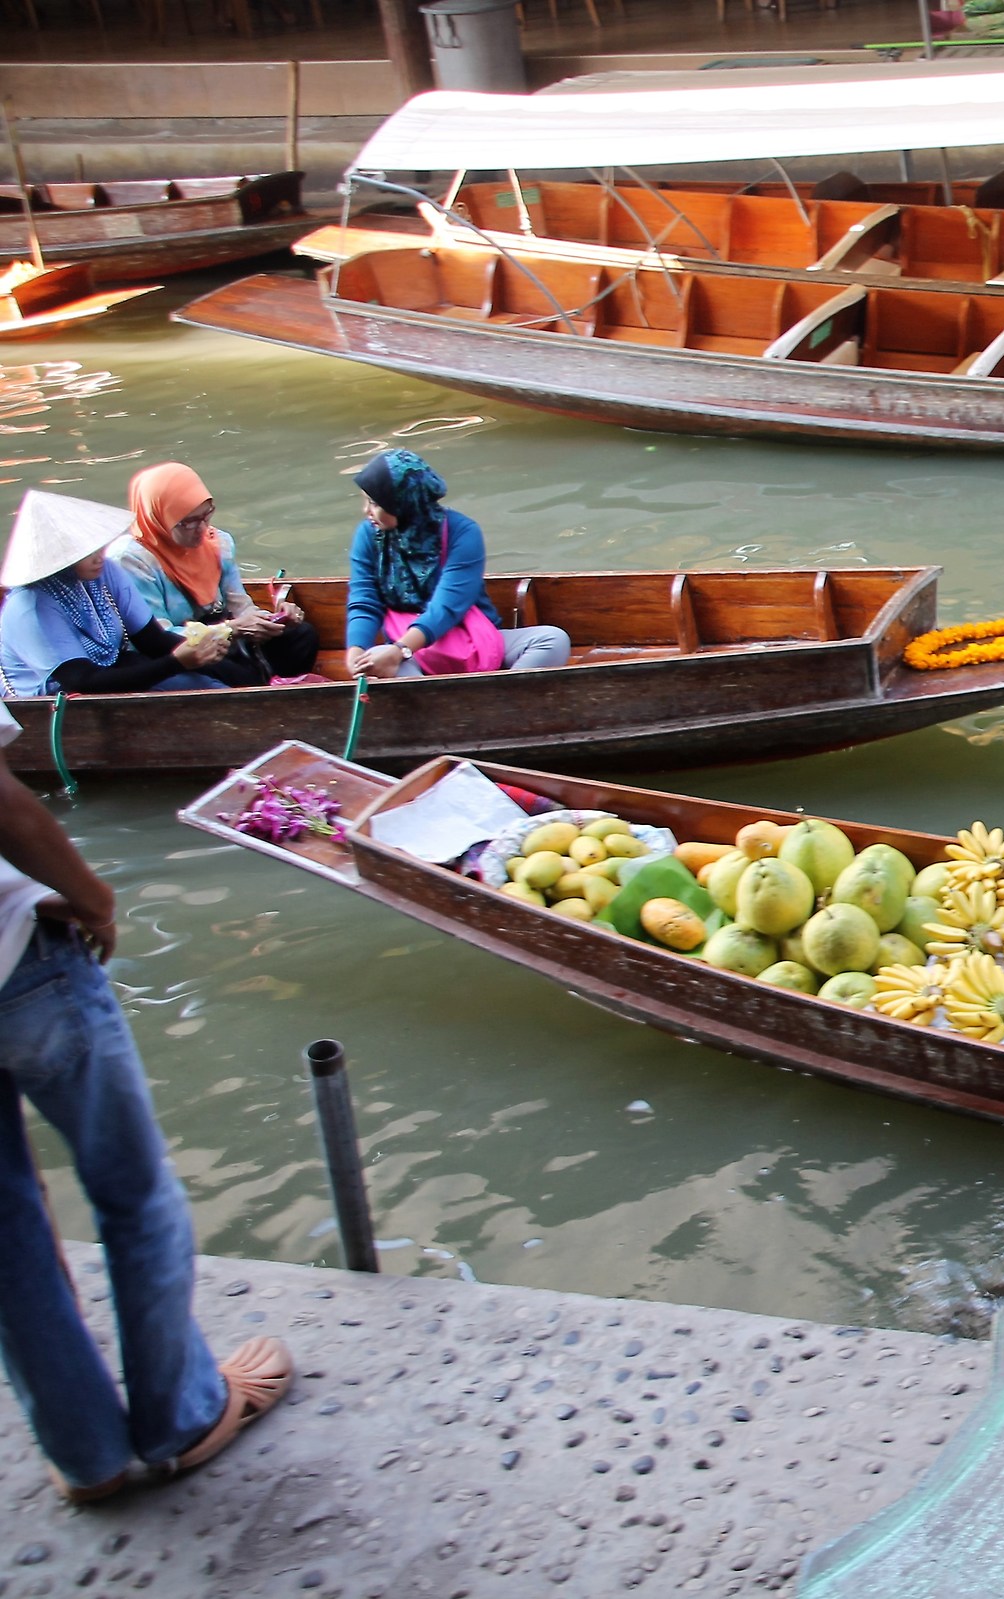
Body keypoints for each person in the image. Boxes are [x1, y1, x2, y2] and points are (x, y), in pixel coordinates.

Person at [0, 702, 292, 1502]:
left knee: (6, 1227)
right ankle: (184, 1415)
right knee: (135, 1192)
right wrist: (92, 899)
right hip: (17, 969)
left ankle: (86, 1453)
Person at [343, 449, 568, 680]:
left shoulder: (462, 531)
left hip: (475, 641)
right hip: (410, 655)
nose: (366, 511)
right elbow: (364, 601)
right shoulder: (368, 535)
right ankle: (449, 708)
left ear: (403, 503)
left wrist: (401, 648)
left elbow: (447, 606)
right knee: (377, 658)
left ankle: (499, 699)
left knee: (553, 639)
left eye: (374, 504)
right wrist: (356, 653)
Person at [0, 490, 231, 699]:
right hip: (56, 694)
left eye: (98, 547)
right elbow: (81, 681)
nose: (100, 556)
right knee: (199, 691)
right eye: (87, 553)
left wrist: (206, 650)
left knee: (217, 679)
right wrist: (176, 663)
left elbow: (153, 641)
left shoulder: (104, 571)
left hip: (110, 666)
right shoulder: (31, 605)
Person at [110, 462, 322, 688]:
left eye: (206, 516)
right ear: (159, 518)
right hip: (177, 649)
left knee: (302, 635)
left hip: (224, 635)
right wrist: (232, 629)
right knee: (231, 672)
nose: (202, 529)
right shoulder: (132, 560)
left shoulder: (217, 543)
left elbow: (240, 605)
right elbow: (159, 638)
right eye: (188, 523)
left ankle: (272, 683)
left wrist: (272, 620)